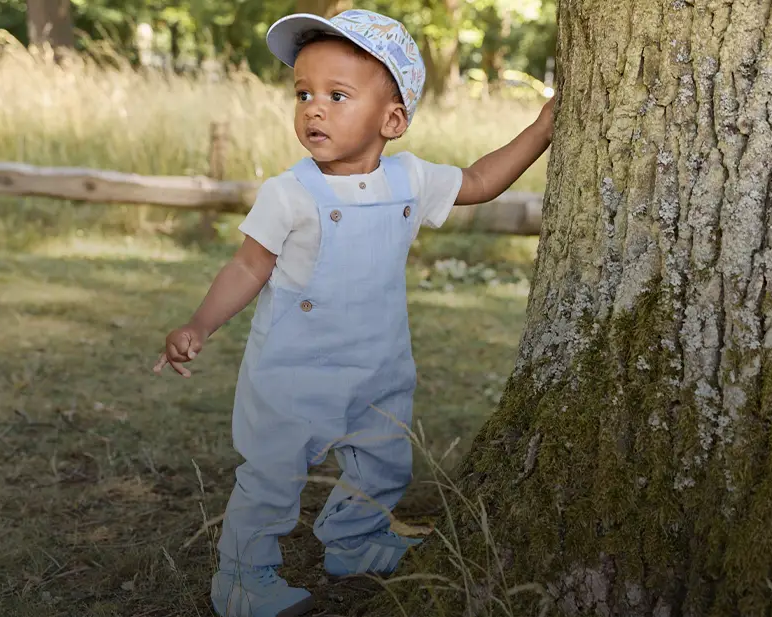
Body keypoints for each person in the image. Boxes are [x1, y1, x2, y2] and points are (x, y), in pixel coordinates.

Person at [152, 8, 554, 617]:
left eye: (338, 95)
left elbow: (478, 182)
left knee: (382, 459)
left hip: (379, 361)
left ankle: (356, 541)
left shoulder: (410, 180)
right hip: (294, 366)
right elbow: (247, 268)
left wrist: (541, 131)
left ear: (392, 118)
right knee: (273, 474)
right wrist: (199, 324)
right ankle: (242, 577)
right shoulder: (289, 192)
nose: (313, 108)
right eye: (304, 93)